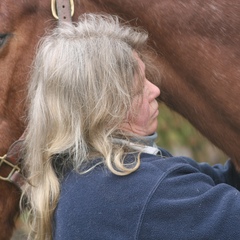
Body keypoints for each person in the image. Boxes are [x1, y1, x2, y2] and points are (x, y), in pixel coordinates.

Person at [22, 13, 240, 240]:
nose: (155, 90)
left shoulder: (83, 177)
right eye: (139, 88)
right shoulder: (142, 191)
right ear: (105, 108)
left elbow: (216, 182)